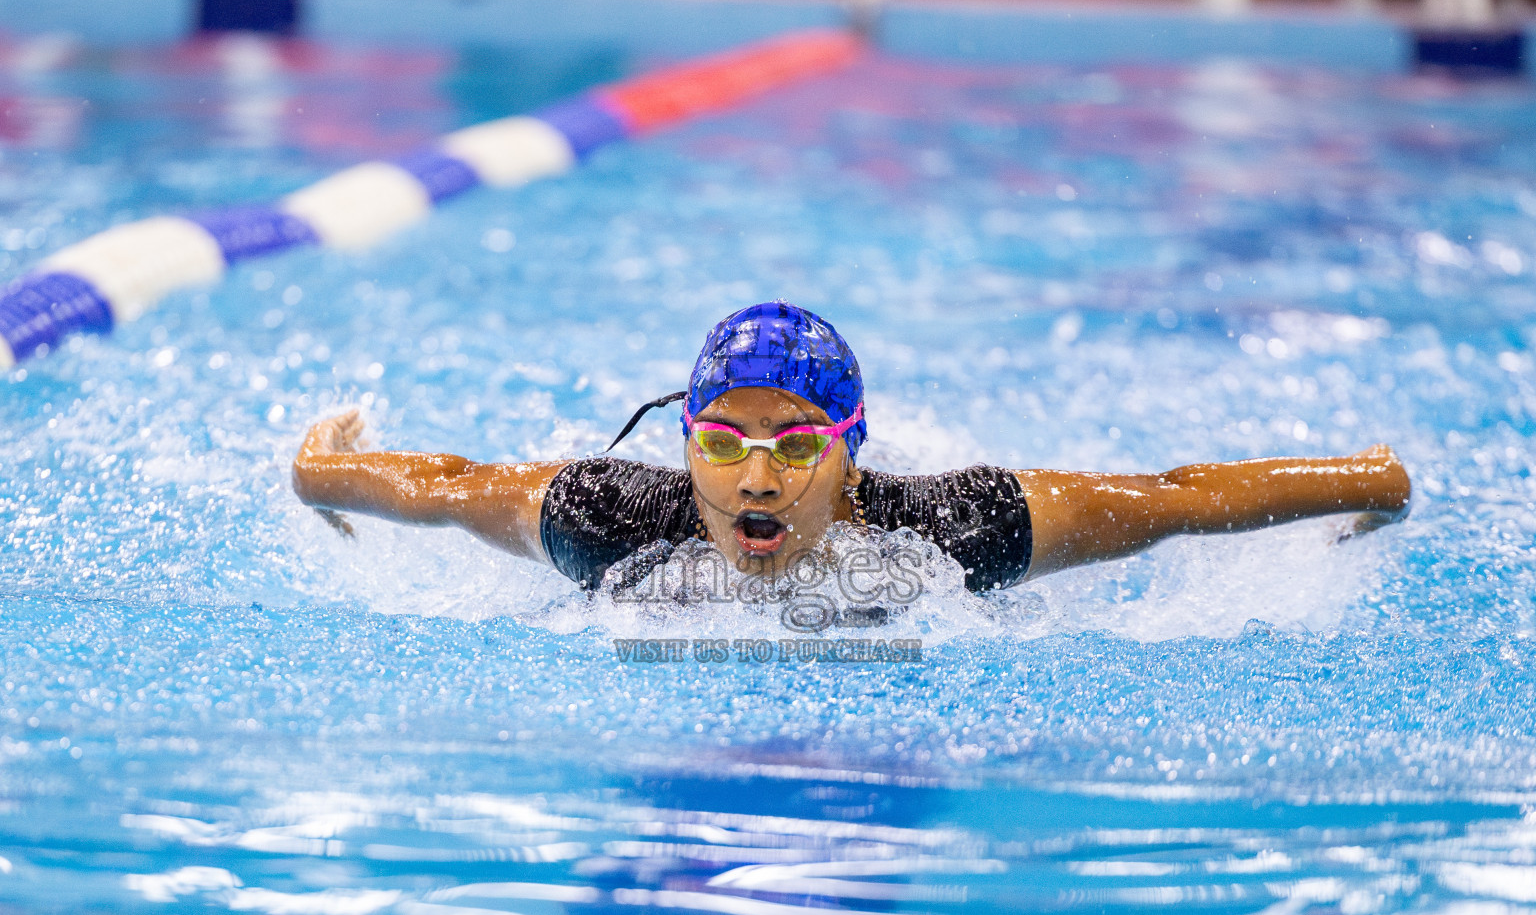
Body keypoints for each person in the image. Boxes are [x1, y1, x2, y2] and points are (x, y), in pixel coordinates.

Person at [292, 301, 1411, 594]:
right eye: (721, 444)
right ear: (685, 442)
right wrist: (324, 471)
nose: (757, 479)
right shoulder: (605, 522)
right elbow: (446, 487)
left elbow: (1173, 496)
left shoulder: (961, 532)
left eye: (797, 447)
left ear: (851, 452)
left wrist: (1370, 483)